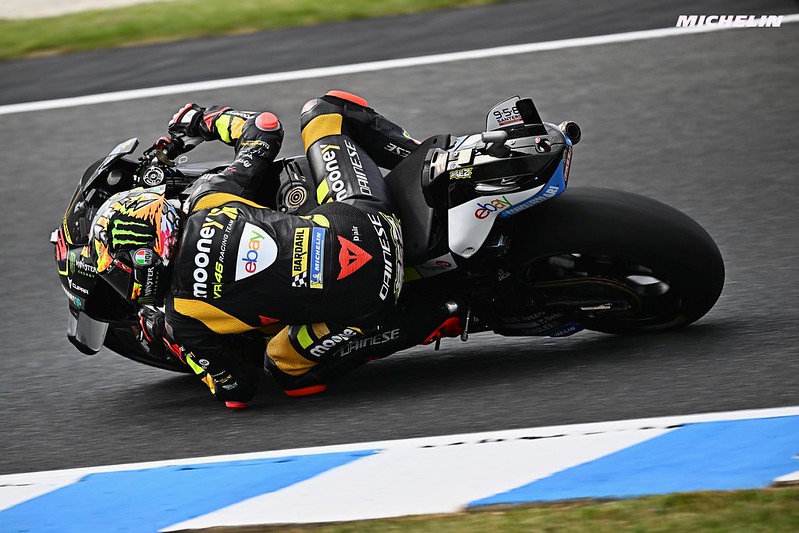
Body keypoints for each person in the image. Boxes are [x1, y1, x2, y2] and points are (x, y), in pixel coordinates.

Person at [90, 91, 423, 408]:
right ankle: (424, 161)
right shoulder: (208, 197)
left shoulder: (183, 317)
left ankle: (434, 316)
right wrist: (203, 120)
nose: (125, 284)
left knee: (284, 369)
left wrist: (169, 339)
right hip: (371, 220)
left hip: (371, 300)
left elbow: (237, 390)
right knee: (326, 112)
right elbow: (264, 129)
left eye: (120, 275)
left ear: (143, 258)